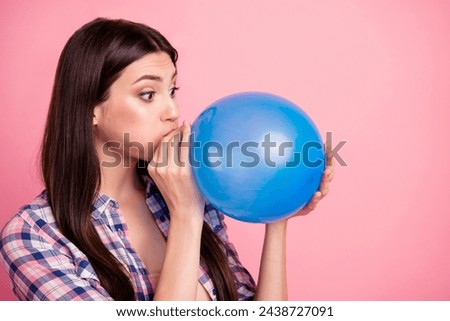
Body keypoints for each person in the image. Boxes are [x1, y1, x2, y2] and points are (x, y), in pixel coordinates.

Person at [0, 18, 334, 301]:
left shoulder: (195, 187)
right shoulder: (33, 236)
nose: (172, 112)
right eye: (148, 94)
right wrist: (186, 213)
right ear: (91, 107)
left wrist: (277, 216)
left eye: (172, 91)